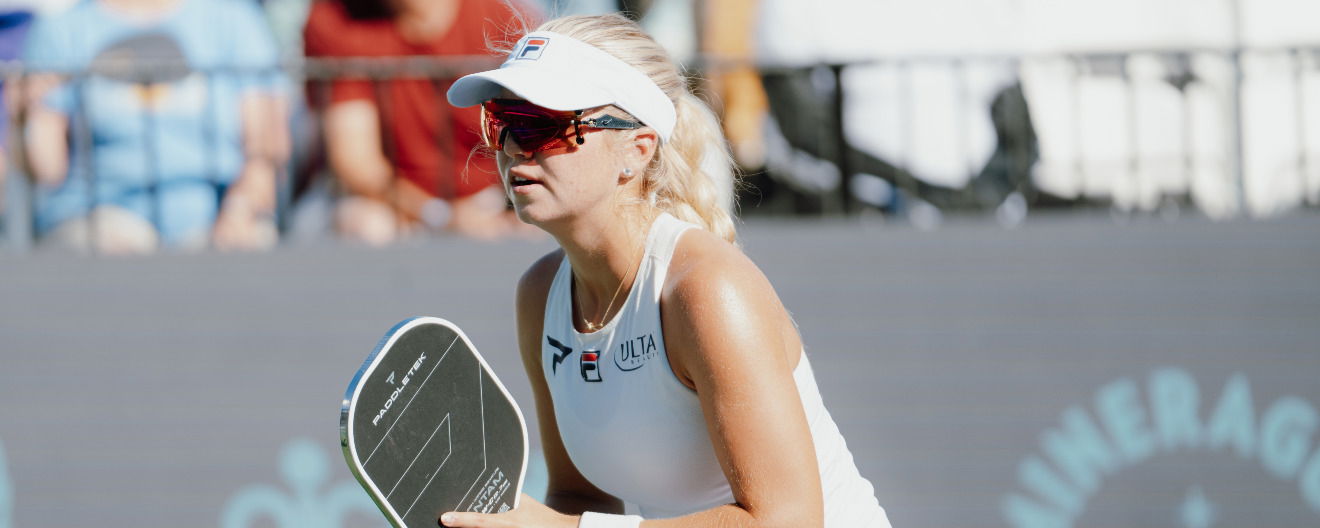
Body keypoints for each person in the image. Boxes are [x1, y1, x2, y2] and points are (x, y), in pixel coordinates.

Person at [440, 14, 890, 528]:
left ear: (637, 149)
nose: (516, 146)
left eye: (545, 125)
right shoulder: (539, 294)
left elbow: (787, 520)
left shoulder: (709, 289)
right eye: (503, 121)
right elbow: (578, 496)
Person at [20, 0, 287, 254]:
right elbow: (48, 171)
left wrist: (240, 209)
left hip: (216, 218)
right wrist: (26, 116)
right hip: (98, 219)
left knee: (250, 251)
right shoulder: (62, 30)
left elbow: (265, 153)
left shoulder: (234, 20)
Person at [302, 0, 537, 243]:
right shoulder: (335, 16)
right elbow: (356, 164)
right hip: (393, 207)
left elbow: (534, 138)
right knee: (364, 225)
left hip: (494, 199)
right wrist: (439, 216)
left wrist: (504, 209)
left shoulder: (503, 16)